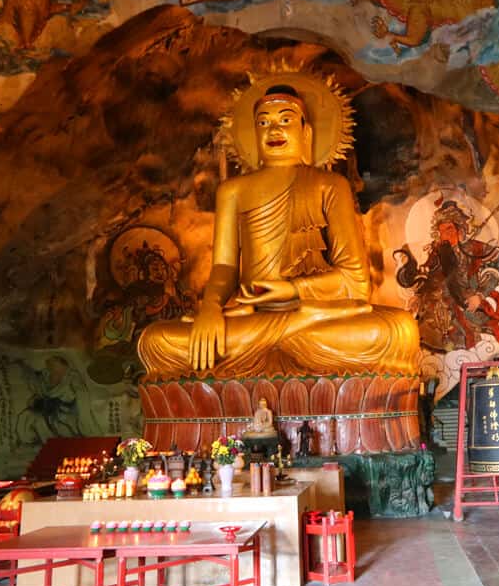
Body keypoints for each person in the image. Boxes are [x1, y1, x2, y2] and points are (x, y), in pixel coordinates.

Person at [137, 75, 419, 379]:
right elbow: (223, 267)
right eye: (263, 123)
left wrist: (291, 290)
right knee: (157, 341)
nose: (274, 129)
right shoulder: (233, 191)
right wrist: (210, 310)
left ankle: (270, 354)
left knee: (397, 331)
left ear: (306, 133)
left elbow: (356, 282)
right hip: (252, 321)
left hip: (311, 316)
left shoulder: (330, 185)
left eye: (285, 120)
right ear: (253, 135)